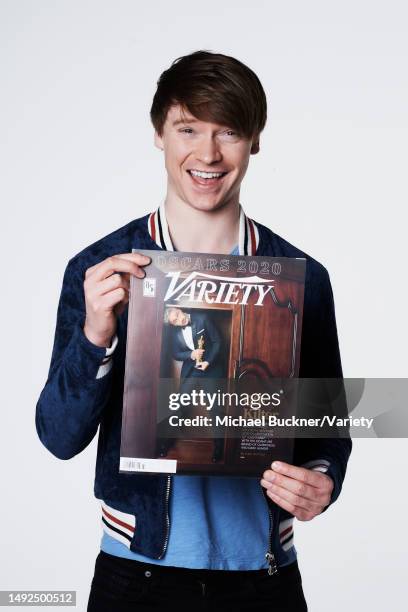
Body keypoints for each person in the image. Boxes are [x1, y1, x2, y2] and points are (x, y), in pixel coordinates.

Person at [35, 50, 352, 611]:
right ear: (160, 133)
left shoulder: (303, 278)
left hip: (264, 574)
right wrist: (96, 334)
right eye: (188, 129)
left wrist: (321, 479)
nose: (207, 153)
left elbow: (328, 422)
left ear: (255, 140)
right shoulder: (102, 268)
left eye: (228, 131)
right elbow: (59, 438)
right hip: (139, 574)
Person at [160, 306, 225, 462]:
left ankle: (219, 446)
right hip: (191, 371)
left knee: (215, 408)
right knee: (178, 405)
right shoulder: (175, 333)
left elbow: (218, 341)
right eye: (174, 321)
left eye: (177, 315)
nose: (178, 320)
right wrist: (190, 354)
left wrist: (208, 361)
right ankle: (167, 441)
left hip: (211, 370)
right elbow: (175, 353)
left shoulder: (202, 318)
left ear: (178, 309)